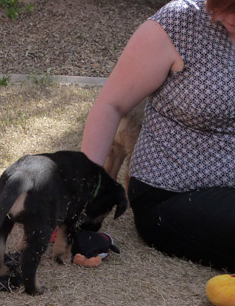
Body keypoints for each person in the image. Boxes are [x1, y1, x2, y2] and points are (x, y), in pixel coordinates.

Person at [81, 0, 235, 272]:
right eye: (228, 5)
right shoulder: (180, 22)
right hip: (172, 193)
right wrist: (80, 202)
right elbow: (110, 106)